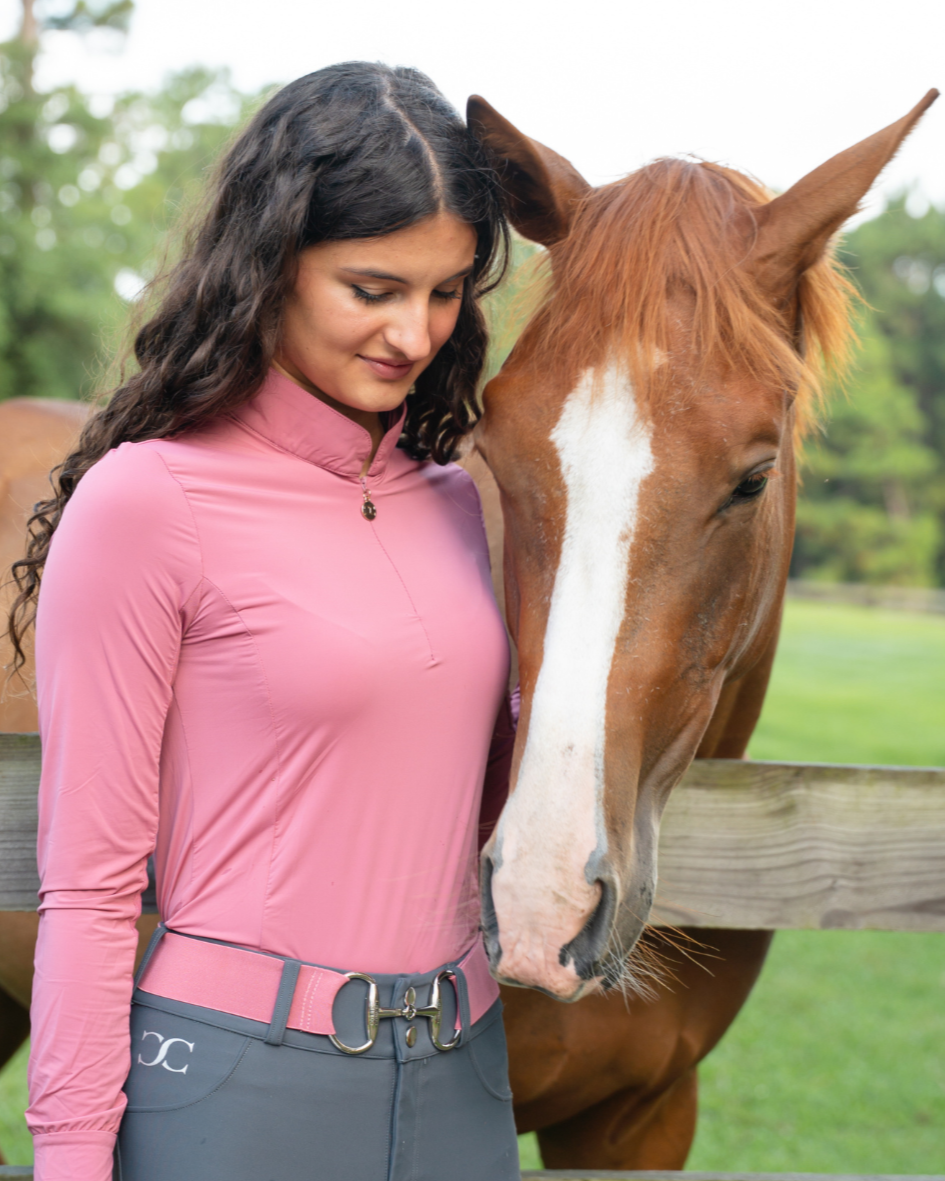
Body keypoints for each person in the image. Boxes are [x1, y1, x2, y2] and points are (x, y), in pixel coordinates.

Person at [11, 61, 519, 1181]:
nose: (415, 333)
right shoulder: (150, 500)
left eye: (446, 292)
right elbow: (91, 889)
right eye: (372, 287)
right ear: (272, 262)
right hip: (241, 1080)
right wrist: (73, 1154)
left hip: (467, 1073)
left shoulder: (455, 505)